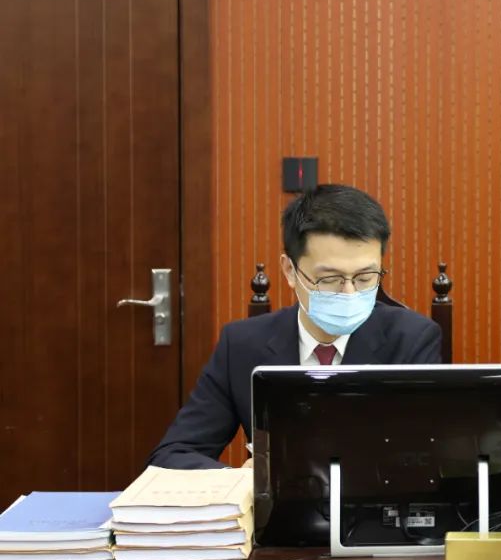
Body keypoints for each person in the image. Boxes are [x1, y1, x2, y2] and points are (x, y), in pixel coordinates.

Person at [149, 185, 441, 469]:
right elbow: (174, 455)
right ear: (290, 270)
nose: (349, 293)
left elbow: (424, 457)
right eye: (329, 279)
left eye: (365, 278)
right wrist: (246, 481)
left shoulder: (412, 340)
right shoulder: (240, 345)